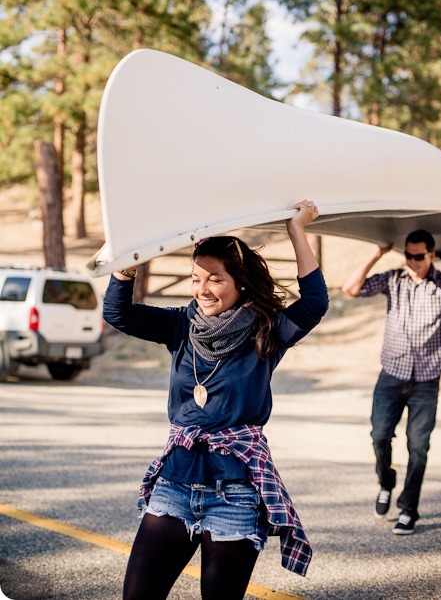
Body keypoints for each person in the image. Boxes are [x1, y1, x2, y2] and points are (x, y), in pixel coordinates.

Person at [103, 200, 329, 600]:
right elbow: (117, 313)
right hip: (174, 484)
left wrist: (296, 229)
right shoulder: (180, 325)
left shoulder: (266, 331)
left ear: (239, 283)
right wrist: (126, 262)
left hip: (234, 495)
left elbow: (314, 303)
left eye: (215, 279)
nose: (202, 290)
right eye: (195, 278)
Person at [342, 230, 441, 535]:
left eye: (419, 256)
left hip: (426, 380)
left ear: (432, 254)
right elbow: (351, 289)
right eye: (408, 255)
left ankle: (409, 510)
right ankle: (386, 483)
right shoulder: (394, 279)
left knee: (418, 446)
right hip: (391, 375)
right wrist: (377, 252)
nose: (412, 261)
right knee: (379, 436)